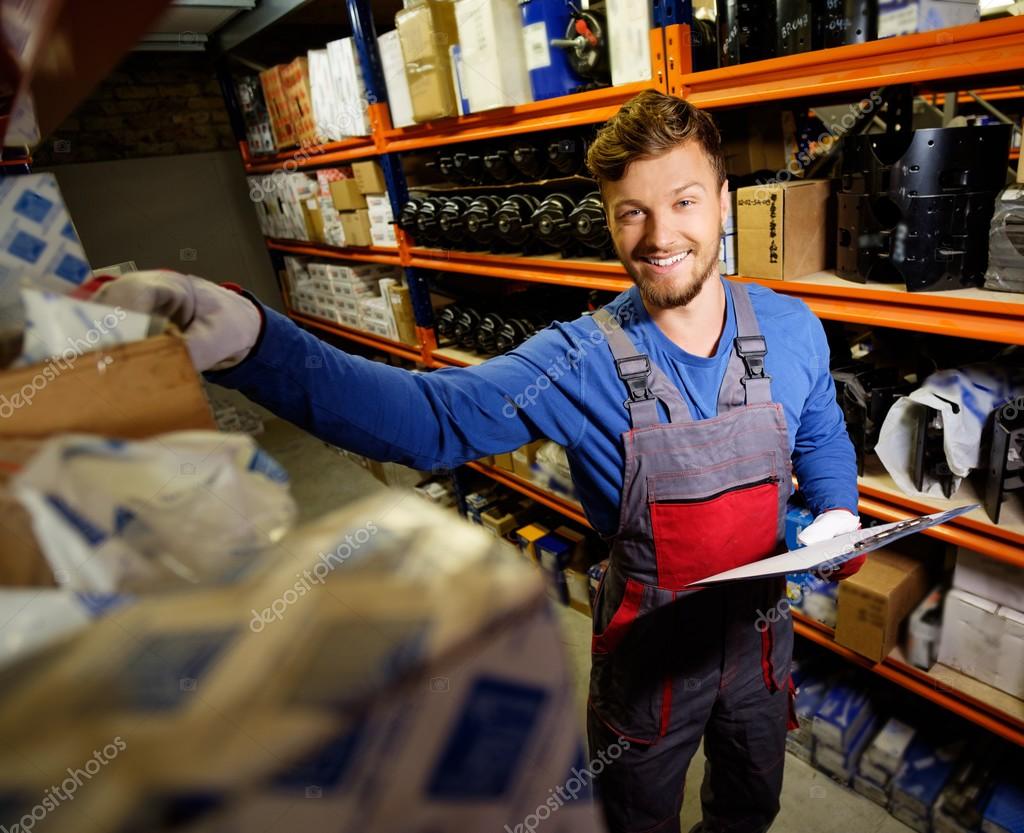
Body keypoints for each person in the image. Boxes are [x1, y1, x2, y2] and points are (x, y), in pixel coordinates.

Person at [93, 89, 864, 833]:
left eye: (685, 201)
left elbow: (822, 428)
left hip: (761, 642)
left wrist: (836, 507)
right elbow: (429, 419)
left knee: (750, 804)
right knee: (637, 814)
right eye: (633, 211)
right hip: (651, 656)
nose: (660, 235)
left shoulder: (793, 328)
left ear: (724, 200)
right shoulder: (583, 358)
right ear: (607, 218)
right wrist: (249, 339)